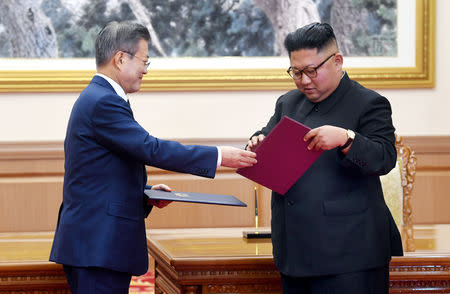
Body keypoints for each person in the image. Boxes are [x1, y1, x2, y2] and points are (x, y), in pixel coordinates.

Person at [49, 21, 256, 294]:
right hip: (97, 246)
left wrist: (144, 193)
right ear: (121, 59)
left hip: (95, 244)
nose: (146, 70)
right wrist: (218, 155)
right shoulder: (102, 101)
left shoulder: (100, 97)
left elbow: (102, 173)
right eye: (144, 61)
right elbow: (150, 148)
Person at [246, 23, 402, 294]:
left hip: (349, 254)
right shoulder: (288, 103)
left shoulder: (369, 103)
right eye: (296, 72)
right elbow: (268, 136)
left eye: (311, 71)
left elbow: (385, 158)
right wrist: (257, 141)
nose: (304, 80)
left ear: (337, 61)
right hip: (294, 250)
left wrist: (347, 138)